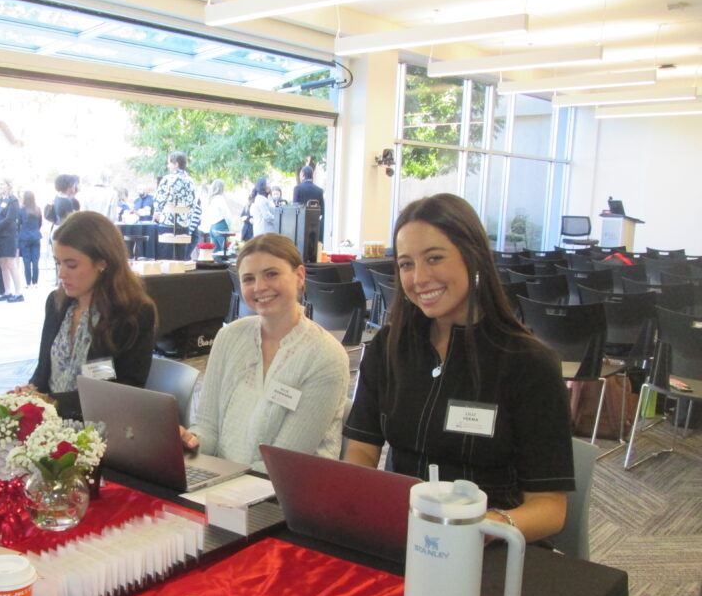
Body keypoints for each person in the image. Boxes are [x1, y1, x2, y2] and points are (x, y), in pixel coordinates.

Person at [342, 193, 572, 542]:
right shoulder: (390, 347)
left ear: (472, 257)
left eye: (434, 258)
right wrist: (353, 503)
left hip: (488, 546)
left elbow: (550, 508)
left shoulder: (528, 362)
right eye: (406, 264)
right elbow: (361, 448)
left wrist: (481, 528)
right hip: (402, 535)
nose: (419, 278)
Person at [181, 233, 350, 473]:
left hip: (287, 497)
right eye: (248, 279)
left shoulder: (325, 357)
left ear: (300, 276)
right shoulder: (230, 337)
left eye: (272, 274)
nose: (260, 287)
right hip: (224, 484)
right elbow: (208, 428)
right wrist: (189, 443)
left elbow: (282, 464)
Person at [27, 211, 157, 419]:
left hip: (99, 430)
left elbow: (124, 390)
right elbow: (44, 372)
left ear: (102, 263)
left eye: (71, 265)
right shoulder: (56, 304)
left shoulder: (133, 314)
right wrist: (29, 392)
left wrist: (53, 402)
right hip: (50, 424)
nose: (61, 273)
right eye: (57, 262)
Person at [153, 151, 196, 260]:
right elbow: (193, 203)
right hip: (184, 225)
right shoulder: (191, 181)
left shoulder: (168, 179)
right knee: (180, 261)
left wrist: (158, 212)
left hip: (168, 224)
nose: (168, 166)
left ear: (176, 164)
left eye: (169, 163)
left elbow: (159, 200)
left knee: (166, 261)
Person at [0, 177, 23, 303]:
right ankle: (7, 291)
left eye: (3, 184)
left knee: (10, 262)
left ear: (9, 185)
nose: (1, 187)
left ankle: (18, 292)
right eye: (0, 185)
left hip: (8, 235)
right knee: (2, 263)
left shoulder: (13, 200)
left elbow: (9, 219)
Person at [18, 190, 42, 289]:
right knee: (36, 260)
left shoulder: (21, 210)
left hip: (24, 236)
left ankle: (28, 283)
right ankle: (35, 282)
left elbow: (18, 223)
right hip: (36, 235)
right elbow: (40, 223)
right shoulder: (38, 209)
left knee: (26, 260)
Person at [202, 178, 235, 253]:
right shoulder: (220, 199)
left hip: (212, 226)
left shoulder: (210, 199)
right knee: (225, 251)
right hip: (221, 225)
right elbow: (226, 214)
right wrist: (230, 225)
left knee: (215, 252)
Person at [293, 164, 325, 235]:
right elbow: (322, 210)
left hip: (300, 225)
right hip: (314, 225)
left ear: (303, 175)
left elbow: (294, 208)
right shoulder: (319, 190)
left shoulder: (297, 189)